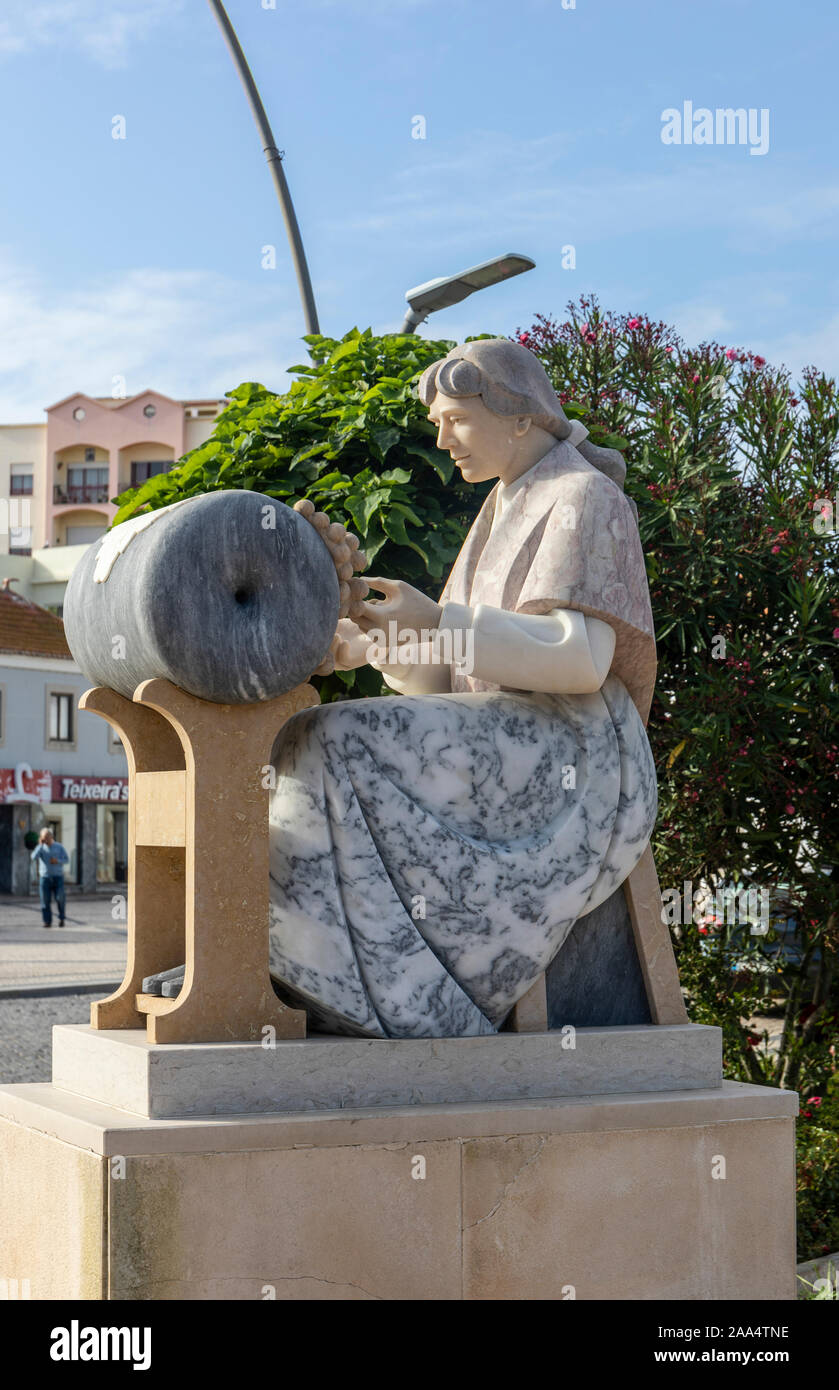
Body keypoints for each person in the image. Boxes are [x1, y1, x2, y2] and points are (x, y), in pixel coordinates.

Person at [264, 338, 659, 1039]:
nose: (441, 438)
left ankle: (379, 988)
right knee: (306, 732)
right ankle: (317, 961)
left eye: (455, 419)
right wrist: (371, 638)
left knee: (331, 737)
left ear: (519, 417)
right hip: (507, 732)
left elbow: (579, 661)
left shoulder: (584, 498)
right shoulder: (501, 508)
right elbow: (445, 678)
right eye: (438, 423)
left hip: (580, 750)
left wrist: (438, 617)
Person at [30, 828, 69, 928]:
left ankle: (61, 918)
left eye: (47, 836)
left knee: (60, 898)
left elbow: (66, 859)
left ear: (51, 836)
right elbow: (33, 857)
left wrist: (57, 861)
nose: (45, 838)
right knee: (45, 901)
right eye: (43, 837)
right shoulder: (41, 847)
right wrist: (40, 845)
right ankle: (47, 921)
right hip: (45, 878)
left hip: (58, 878)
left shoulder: (59, 846)